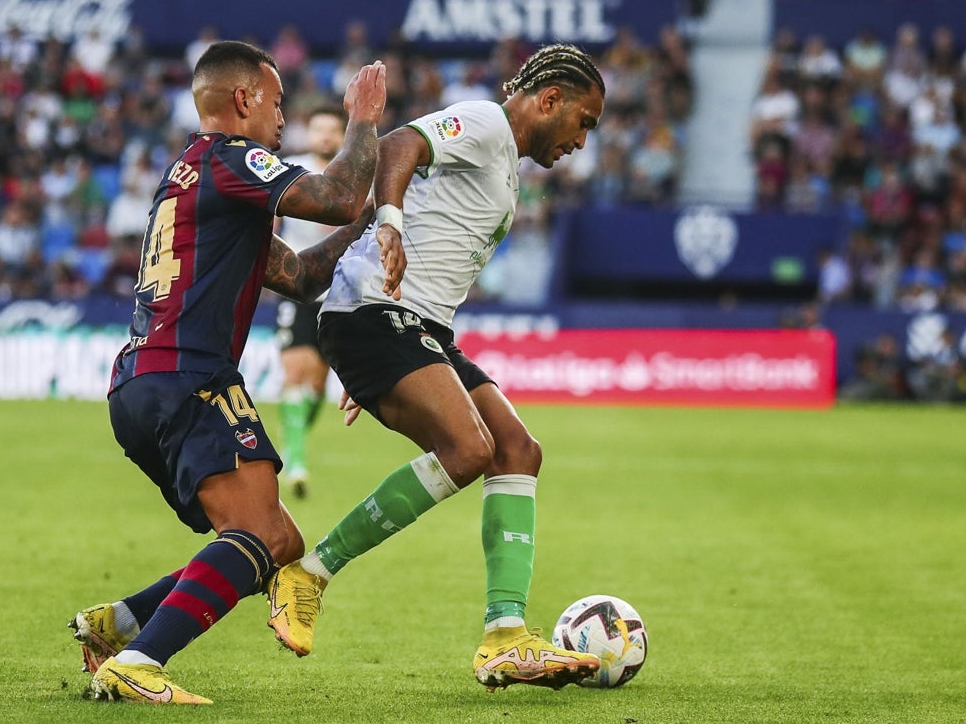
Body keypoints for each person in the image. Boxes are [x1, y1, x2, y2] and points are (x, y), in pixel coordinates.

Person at [265, 43, 605, 691]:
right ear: (550, 100)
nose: (582, 140)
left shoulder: (503, 163)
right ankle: (309, 574)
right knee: (468, 447)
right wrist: (388, 223)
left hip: (411, 331)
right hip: (376, 315)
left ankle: (505, 636)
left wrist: (396, 373)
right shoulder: (484, 121)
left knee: (516, 450)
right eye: (583, 120)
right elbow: (397, 146)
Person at [68, 41, 396, 704]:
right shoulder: (229, 158)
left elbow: (299, 276)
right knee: (258, 537)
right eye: (276, 104)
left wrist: (370, 221)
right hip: (192, 377)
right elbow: (334, 194)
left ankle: (117, 624)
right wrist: (365, 123)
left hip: (139, 383)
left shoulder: (186, 177)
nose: (281, 121)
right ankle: (138, 660)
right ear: (243, 100)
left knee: (276, 539)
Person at [275, 106, 349, 499]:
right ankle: (297, 463)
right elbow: (270, 219)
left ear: (342, 136)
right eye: (317, 128)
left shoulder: (354, 176)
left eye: (332, 130)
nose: (324, 136)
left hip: (337, 292)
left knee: (318, 386)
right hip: (296, 286)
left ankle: (294, 443)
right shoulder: (292, 171)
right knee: (294, 374)